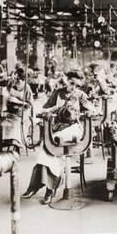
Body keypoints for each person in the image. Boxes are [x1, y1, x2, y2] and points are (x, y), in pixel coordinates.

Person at [22, 71, 95, 204]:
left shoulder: (80, 95)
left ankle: (46, 189)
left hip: (73, 129)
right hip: (58, 128)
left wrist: (88, 111)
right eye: (72, 83)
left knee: (51, 148)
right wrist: (52, 110)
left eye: (77, 85)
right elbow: (44, 109)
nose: (74, 87)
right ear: (67, 80)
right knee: (46, 150)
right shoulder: (57, 93)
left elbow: (93, 110)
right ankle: (44, 188)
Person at [0, 68, 34, 149]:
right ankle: (0, 141)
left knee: (15, 125)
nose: (16, 81)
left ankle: (15, 143)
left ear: (23, 79)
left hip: (21, 113)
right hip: (10, 112)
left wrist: (18, 101)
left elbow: (30, 104)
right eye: (15, 79)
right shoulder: (11, 84)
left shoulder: (27, 88)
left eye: (19, 80)